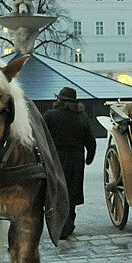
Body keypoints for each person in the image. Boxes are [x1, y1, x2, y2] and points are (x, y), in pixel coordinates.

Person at [42, 87, 95, 239]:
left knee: (57, 190)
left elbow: (42, 137)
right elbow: (90, 141)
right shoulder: (82, 117)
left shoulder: (51, 115)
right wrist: (89, 158)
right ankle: (69, 222)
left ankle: (60, 224)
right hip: (76, 159)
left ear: (60, 100)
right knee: (72, 191)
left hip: (56, 158)